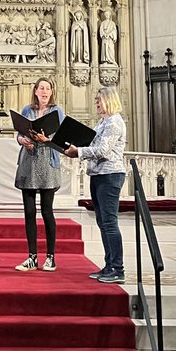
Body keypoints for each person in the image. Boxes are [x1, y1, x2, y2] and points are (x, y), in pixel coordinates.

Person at [65, 86, 127, 283]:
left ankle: (117, 268)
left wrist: (79, 152)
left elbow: (102, 149)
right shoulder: (104, 122)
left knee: (109, 222)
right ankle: (109, 265)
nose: (96, 103)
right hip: (99, 174)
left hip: (110, 175)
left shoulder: (114, 122)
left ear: (109, 100)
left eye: (99, 100)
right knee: (103, 222)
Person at [14, 77, 64, 272]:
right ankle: (32, 257)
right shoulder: (28, 110)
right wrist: (21, 140)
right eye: (41, 88)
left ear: (51, 92)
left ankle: (50, 257)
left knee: (47, 211)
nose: (44, 91)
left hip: (47, 161)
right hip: (29, 160)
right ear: (35, 91)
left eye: (48, 88)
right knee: (28, 212)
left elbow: (62, 138)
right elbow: (19, 133)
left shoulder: (56, 111)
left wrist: (45, 138)